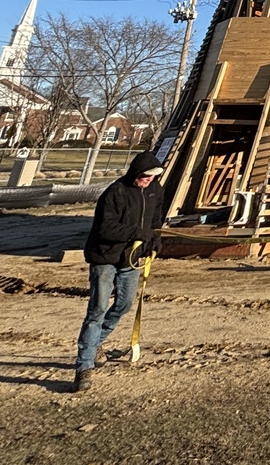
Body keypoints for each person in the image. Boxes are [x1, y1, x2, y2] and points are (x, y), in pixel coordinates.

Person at [72, 150, 166, 393]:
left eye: (153, 176)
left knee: (124, 304)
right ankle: (84, 366)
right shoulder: (115, 193)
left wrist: (154, 238)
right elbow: (105, 228)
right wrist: (137, 233)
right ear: (136, 173)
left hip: (132, 258)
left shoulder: (156, 190)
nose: (149, 180)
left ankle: (96, 344)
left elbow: (155, 221)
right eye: (145, 176)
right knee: (98, 309)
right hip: (105, 256)